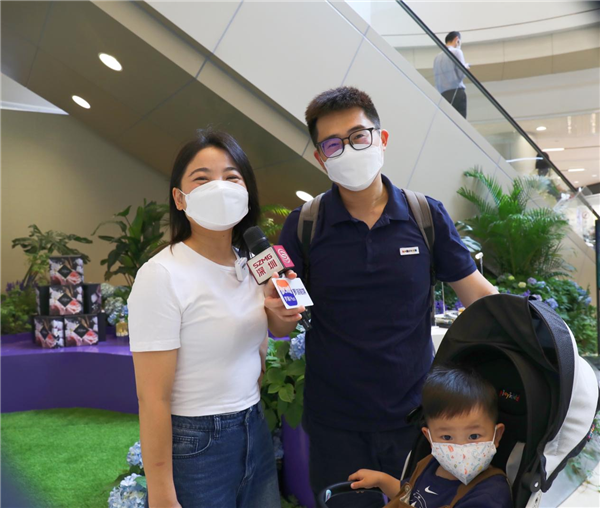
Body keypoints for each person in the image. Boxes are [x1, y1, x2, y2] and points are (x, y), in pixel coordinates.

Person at [275, 86, 497, 507]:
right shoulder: (305, 225)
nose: (349, 149)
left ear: (382, 139)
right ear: (321, 158)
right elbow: (280, 316)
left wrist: (536, 332)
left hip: (415, 420)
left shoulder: (425, 215)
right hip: (335, 424)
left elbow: (480, 298)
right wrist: (277, 315)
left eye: (359, 136)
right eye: (333, 144)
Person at [128, 130, 300, 508]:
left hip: (254, 425)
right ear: (180, 198)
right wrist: (161, 493)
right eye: (202, 178)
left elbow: (277, 328)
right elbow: (152, 398)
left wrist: (284, 313)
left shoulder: (252, 263)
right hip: (196, 441)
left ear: (246, 192)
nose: (220, 187)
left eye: (232, 177)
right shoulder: (162, 275)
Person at [348, 366, 513, 508]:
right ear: (429, 438)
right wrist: (381, 480)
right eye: (447, 437)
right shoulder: (429, 465)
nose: (461, 447)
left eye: (474, 436)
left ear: (496, 435)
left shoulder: (491, 493)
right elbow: (409, 495)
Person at [433, 32, 470, 119]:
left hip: (443, 95)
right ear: (457, 39)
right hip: (457, 93)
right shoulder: (457, 52)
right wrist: (465, 67)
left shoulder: (436, 58)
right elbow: (461, 74)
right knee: (460, 122)